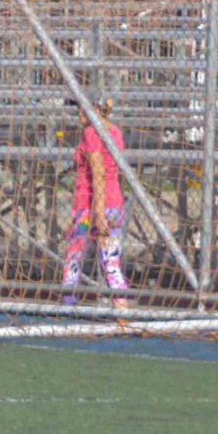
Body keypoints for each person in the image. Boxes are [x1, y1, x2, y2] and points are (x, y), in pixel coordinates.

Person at [61, 100, 129, 304]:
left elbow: (98, 173)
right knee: (111, 262)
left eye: (85, 108)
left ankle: (68, 304)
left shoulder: (91, 132)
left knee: (74, 256)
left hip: (90, 205)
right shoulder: (115, 131)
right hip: (114, 202)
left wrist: (98, 212)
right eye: (78, 108)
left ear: (98, 110)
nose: (79, 112)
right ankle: (122, 306)